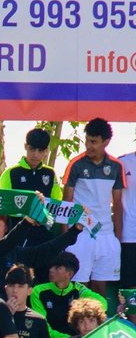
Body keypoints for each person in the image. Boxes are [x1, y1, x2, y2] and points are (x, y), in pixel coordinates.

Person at [63, 117, 124, 295]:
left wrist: (117, 238)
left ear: (106, 142)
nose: (89, 145)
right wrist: (65, 239)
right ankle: (77, 323)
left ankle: (100, 322)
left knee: (100, 287)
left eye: (94, 142)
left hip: (105, 233)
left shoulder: (115, 166)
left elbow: (118, 204)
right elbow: (66, 203)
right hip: (80, 233)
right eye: (87, 140)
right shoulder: (75, 164)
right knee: (79, 286)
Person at [29, 252, 107, 338]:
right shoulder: (38, 291)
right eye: (51, 267)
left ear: (69, 274)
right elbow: (42, 327)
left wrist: (85, 308)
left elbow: (103, 303)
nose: (51, 270)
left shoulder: (79, 290)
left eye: (57, 268)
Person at [2, 265, 52, 338]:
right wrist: (6, 316)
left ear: (29, 290)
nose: (15, 290)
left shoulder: (38, 320)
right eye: (11, 285)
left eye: (20, 286)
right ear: (6, 288)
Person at [0, 128, 61, 198]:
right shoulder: (10, 173)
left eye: (40, 151)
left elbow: (56, 202)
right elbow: (3, 202)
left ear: (46, 151)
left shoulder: (50, 173)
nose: (36, 154)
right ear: (25, 146)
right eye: (32, 149)